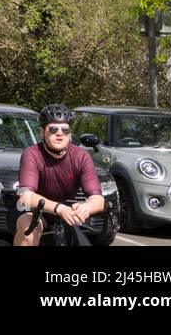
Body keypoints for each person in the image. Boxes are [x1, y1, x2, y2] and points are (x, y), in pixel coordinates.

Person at [13, 104, 105, 246]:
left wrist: (86, 207)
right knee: (28, 226)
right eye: (53, 129)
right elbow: (26, 197)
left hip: (68, 213)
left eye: (65, 129)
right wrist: (59, 208)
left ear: (70, 134)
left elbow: (98, 200)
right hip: (36, 213)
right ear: (42, 132)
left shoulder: (81, 156)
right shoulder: (31, 154)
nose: (60, 133)